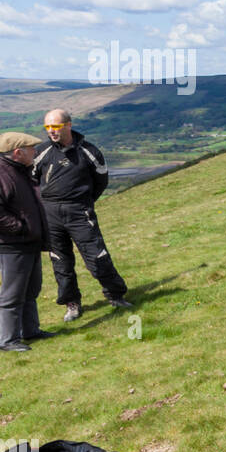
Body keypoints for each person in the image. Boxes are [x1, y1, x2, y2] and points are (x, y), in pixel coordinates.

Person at [33, 109, 131, 321]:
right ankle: (72, 304)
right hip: (50, 215)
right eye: (47, 127)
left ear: (68, 125)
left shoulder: (89, 151)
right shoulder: (40, 152)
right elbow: (31, 181)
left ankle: (115, 295)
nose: (51, 131)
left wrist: (84, 202)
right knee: (61, 262)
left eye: (56, 126)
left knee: (97, 256)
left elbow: (101, 181)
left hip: (80, 212)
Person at [0, 132, 56, 352]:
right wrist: (21, 228)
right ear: (17, 152)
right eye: (31, 149)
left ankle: (30, 331)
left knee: (31, 289)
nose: (35, 152)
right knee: (12, 294)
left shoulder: (19, 170)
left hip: (27, 242)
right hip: (12, 245)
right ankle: (7, 341)